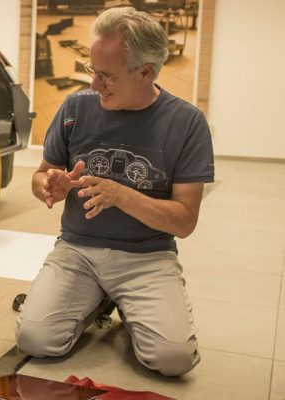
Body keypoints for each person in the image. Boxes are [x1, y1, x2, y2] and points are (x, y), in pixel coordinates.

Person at [15, 7, 214, 376]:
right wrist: (48, 184)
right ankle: (99, 300)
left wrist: (121, 196)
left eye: (106, 76)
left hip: (148, 257)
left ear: (146, 72)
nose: (94, 84)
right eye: (92, 70)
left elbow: (185, 221)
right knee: (35, 340)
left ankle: (121, 301)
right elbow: (40, 176)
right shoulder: (75, 108)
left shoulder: (187, 123)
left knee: (173, 360)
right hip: (77, 251)